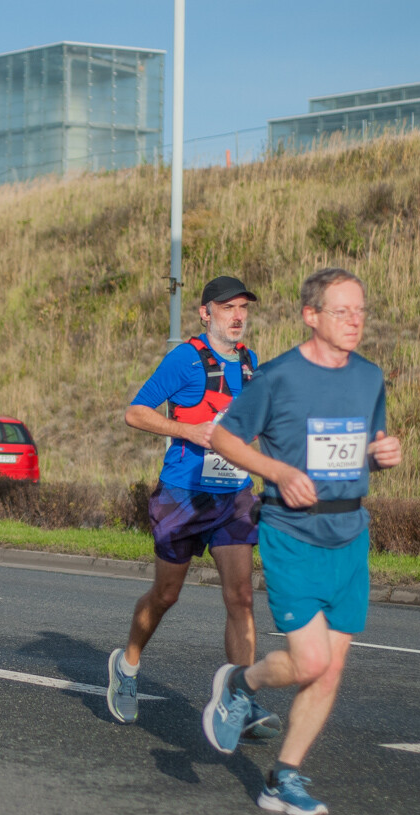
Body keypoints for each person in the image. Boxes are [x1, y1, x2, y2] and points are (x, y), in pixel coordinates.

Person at [201, 268, 401, 815]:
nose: (355, 320)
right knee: (309, 661)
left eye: (360, 310)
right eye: (342, 311)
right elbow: (223, 437)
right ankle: (240, 683)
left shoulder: (369, 377)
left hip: (351, 534)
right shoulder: (277, 377)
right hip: (292, 531)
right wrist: (278, 472)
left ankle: (283, 776)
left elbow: (363, 443)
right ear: (311, 316)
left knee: (331, 670)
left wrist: (381, 453)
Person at [107, 276, 279, 740]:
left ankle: (240, 699)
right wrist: (189, 431)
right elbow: (135, 411)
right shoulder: (185, 358)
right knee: (166, 596)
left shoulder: (250, 364)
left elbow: (254, 426)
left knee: (241, 597)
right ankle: (127, 664)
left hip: (233, 495)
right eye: (228, 308)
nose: (238, 316)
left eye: (244, 307)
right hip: (182, 495)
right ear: (206, 313)